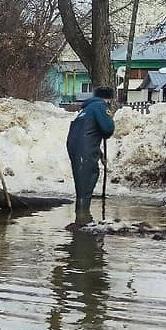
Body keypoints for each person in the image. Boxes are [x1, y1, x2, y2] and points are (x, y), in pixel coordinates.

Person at [66, 86, 115, 228]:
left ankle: (81, 217)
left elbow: (87, 134)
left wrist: (99, 154)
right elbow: (107, 129)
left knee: (82, 184)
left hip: (76, 148)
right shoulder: (101, 106)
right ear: (109, 98)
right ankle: (82, 219)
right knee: (86, 186)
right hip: (84, 150)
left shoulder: (86, 109)